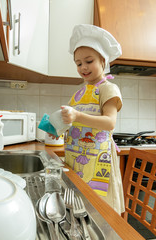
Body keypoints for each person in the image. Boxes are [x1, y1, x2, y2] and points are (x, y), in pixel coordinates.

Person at [61, 24, 124, 214]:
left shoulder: (108, 89)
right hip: (77, 159)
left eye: (89, 61)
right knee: (82, 207)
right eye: (78, 63)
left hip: (98, 160)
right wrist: (57, 126)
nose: (83, 67)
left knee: (100, 210)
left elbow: (110, 122)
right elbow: (73, 122)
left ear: (103, 60)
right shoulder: (79, 93)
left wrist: (78, 115)